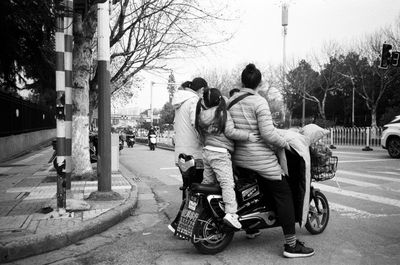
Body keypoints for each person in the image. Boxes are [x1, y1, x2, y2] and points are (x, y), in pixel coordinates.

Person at [227, 63, 314, 258]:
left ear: (242, 81)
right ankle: (291, 245)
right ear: (259, 82)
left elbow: (230, 131)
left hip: (238, 158)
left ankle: (251, 228)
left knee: (257, 191)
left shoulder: (231, 101)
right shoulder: (259, 102)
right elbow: (267, 134)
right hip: (261, 160)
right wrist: (283, 142)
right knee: (284, 194)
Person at [195, 88, 259, 229]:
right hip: (220, 153)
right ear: (219, 100)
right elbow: (230, 132)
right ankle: (231, 213)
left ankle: (201, 209)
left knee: (208, 183)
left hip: (207, 152)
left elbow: (201, 137)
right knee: (227, 184)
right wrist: (248, 136)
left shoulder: (201, 115)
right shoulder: (222, 113)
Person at [168, 77, 208, 234]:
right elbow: (196, 124)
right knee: (196, 191)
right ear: (202, 90)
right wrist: (206, 138)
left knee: (188, 190)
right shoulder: (194, 101)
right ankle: (181, 226)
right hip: (194, 154)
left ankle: (181, 225)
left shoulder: (180, 103)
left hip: (181, 154)